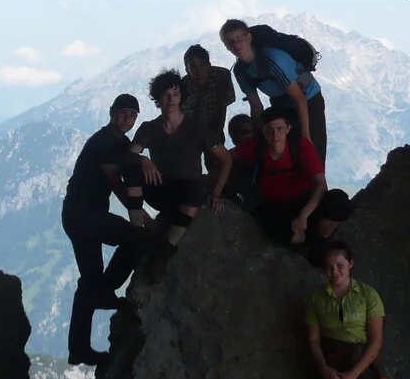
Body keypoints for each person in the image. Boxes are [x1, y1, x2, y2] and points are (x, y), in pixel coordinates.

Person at [61, 93, 160, 367]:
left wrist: (144, 161)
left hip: (79, 215)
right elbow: (117, 184)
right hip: (85, 216)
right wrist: (144, 218)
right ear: (111, 113)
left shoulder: (120, 142)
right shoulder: (104, 143)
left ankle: (78, 349)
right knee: (135, 237)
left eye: (132, 115)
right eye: (123, 114)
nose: (127, 120)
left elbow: (132, 159)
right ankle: (107, 290)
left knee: (88, 282)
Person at [230, 105, 351, 262]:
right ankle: (311, 242)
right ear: (263, 131)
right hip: (275, 206)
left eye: (280, 129)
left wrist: (304, 215)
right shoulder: (254, 147)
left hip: (304, 201)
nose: (275, 135)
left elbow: (320, 184)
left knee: (339, 201)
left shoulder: (301, 146)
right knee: (270, 225)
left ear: (288, 128)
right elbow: (225, 157)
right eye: (269, 130)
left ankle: (317, 242)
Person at [124, 70, 232, 246]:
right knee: (131, 169)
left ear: (182, 97)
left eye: (175, 94)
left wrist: (217, 193)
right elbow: (129, 155)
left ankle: (167, 245)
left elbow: (226, 158)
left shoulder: (197, 127)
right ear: (158, 100)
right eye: (166, 95)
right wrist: (142, 160)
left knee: (195, 188)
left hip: (187, 191)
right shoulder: (149, 128)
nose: (171, 99)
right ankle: (136, 231)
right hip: (160, 188)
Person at [218, 18, 328, 164]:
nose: (236, 45)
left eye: (239, 38)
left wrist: (306, 135)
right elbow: (256, 107)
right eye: (230, 42)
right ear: (226, 47)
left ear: (249, 38)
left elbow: (299, 97)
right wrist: (257, 140)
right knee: (285, 154)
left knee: (313, 156)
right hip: (281, 104)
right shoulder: (240, 71)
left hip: (308, 100)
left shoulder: (272, 59)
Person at [305, 241, 386, 379]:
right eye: (328, 267)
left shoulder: (368, 295)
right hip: (334, 362)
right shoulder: (316, 299)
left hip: (363, 363)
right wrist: (324, 368)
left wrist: (354, 374)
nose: (334, 272)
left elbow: (376, 341)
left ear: (350, 264)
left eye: (340, 266)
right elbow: (313, 340)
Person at [181, 44, 236, 176]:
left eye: (202, 65)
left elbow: (223, 106)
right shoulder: (182, 88)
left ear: (209, 65)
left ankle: (221, 190)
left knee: (217, 163)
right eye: (193, 67)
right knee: (190, 167)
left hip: (214, 123)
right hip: (189, 129)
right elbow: (183, 121)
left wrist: (215, 134)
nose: (198, 71)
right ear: (187, 70)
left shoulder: (222, 76)